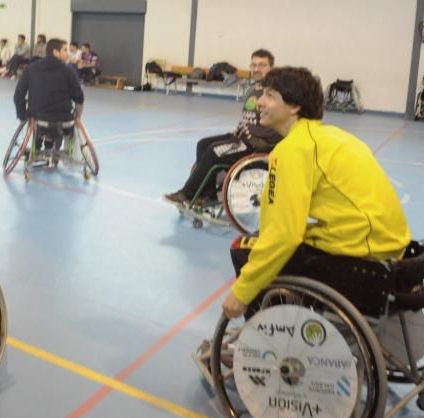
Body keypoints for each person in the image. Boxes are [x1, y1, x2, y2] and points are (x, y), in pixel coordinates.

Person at [222, 66, 411, 318]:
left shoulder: (293, 150)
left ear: (293, 107)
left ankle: (265, 340)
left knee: (246, 250)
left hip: (362, 253)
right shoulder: (331, 136)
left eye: (269, 95)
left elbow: (283, 234)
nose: (259, 102)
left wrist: (241, 292)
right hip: (387, 244)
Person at [164, 49, 280, 204]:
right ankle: (207, 194)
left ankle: (188, 193)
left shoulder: (273, 93)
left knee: (214, 151)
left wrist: (253, 134)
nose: (256, 69)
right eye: (254, 65)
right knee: (203, 144)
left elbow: (275, 125)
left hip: (256, 143)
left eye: (262, 65)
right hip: (243, 136)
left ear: (271, 68)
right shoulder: (253, 89)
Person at [13, 38, 85, 152]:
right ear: (56, 52)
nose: (68, 54)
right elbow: (79, 97)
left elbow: (18, 96)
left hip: (38, 117)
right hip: (63, 119)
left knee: (39, 119)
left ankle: (40, 141)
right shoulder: (69, 70)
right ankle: (50, 142)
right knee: (62, 120)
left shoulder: (31, 69)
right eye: (65, 50)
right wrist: (77, 117)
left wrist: (22, 116)